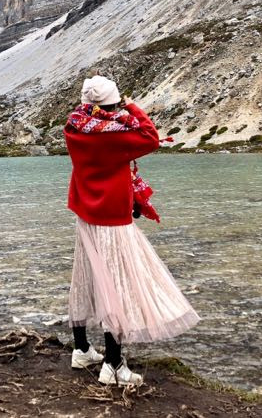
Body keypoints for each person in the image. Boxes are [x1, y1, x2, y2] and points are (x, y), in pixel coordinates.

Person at [63, 74, 201, 386]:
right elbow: (151, 137)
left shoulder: (73, 128)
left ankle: (82, 349)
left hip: (85, 213)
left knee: (84, 277)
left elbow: (90, 116)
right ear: (112, 105)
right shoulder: (117, 136)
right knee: (118, 286)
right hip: (113, 217)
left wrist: (107, 108)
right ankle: (113, 366)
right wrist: (132, 107)